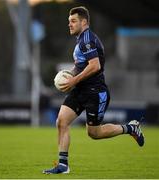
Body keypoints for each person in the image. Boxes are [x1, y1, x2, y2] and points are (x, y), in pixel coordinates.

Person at [43, 6, 144, 174]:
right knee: (61, 121)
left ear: (84, 22)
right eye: (69, 22)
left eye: (73, 21)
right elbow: (81, 65)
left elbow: (95, 65)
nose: (70, 24)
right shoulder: (80, 40)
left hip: (95, 92)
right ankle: (63, 165)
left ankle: (130, 128)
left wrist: (73, 80)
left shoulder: (87, 39)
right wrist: (69, 76)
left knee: (94, 133)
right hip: (80, 89)